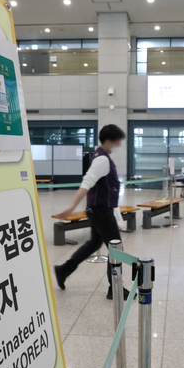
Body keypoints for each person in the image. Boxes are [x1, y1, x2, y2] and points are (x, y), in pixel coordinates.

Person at [53, 124, 133, 300]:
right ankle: (116, 289)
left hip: (98, 210)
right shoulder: (102, 160)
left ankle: (64, 270)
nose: (119, 144)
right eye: (118, 140)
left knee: (94, 244)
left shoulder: (101, 156)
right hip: (100, 211)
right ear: (109, 140)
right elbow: (87, 182)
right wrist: (71, 207)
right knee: (116, 248)